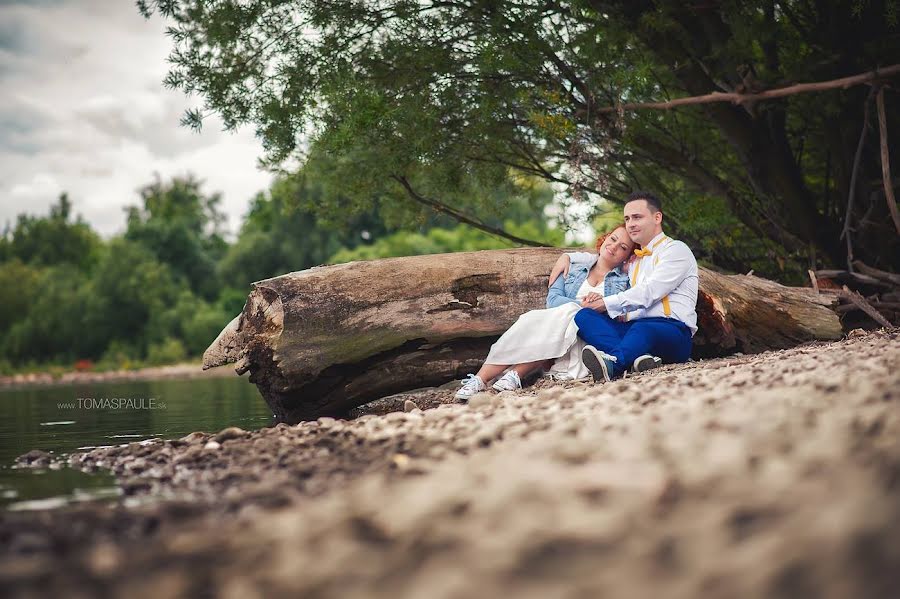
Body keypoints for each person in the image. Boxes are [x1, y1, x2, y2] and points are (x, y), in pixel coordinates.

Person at [455, 225, 636, 400]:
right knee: (543, 319)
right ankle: (490, 378)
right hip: (557, 324)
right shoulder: (573, 266)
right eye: (613, 239)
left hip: (583, 337)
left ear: (627, 257)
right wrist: (583, 304)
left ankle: (490, 376)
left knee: (556, 321)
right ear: (605, 238)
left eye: (623, 248)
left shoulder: (623, 282)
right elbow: (553, 300)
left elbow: (617, 316)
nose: (613, 246)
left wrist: (598, 307)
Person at [573, 191, 699, 383]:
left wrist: (605, 304)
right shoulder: (633, 262)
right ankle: (641, 360)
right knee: (584, 317)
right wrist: (569, 257)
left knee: (644, 329)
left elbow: (650, 291)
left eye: (637, 217)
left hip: (673, 332)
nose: (630, 223)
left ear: (657, 217)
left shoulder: (676, 250)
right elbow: (601, 257)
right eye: (627, 218)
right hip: (635, 330)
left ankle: (613, 364)